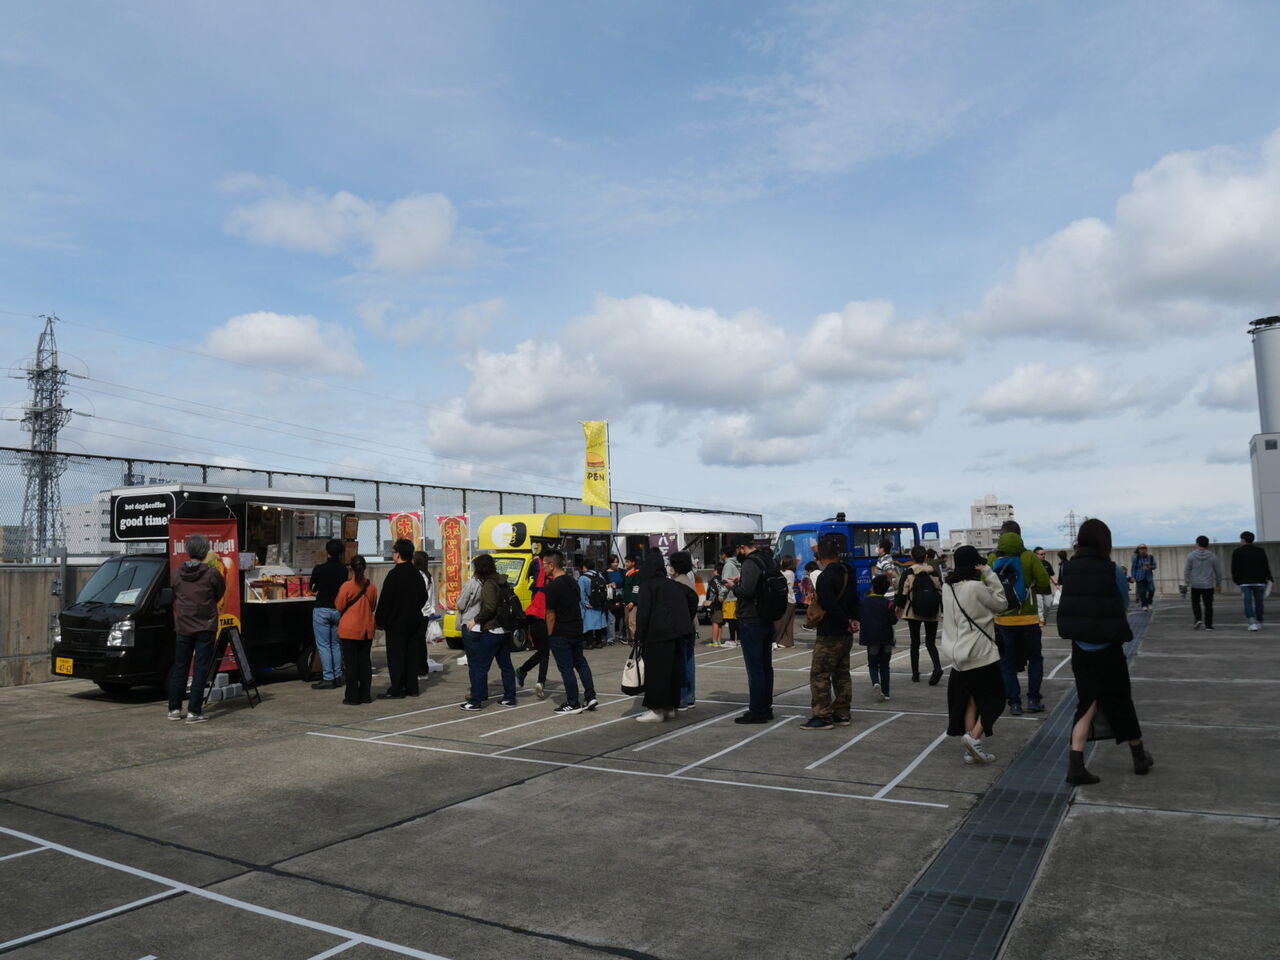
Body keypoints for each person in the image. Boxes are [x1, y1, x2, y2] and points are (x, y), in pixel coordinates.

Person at [1057, 518, 1153, 785]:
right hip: (1108, 647)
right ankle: (1138, 756)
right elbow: (1123, 603)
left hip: (1081, 647)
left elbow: (1069, 602)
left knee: (1087, 702)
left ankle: (1076, 764)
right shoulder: (1112, 570)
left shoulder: (1069, 569)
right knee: (1120, 699)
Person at [939, 545, 1007, 764]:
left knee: (971, 701)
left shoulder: (947, 587)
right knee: (996, 700)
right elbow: (1001, 603)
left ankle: (971, 749)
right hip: (979, 653)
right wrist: (988, 572)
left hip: (957, 655)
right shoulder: (976, 587)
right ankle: (973, 737)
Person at [988, 521, 1052, 716]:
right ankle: (1033, 699)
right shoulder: (1029, 557)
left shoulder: (993, 558)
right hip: (1029, 619)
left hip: (1003, 621)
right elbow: (1044, 582)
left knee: (1007, 662)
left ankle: (1014, 702)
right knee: (1035, 659)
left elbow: (985, 584)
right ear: (1019, 535)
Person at [801, 536, 861, 730]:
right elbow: (855, 599)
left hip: (829, 632)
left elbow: (829, 605)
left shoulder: (825, 577)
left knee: (820, 673)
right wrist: (853, 620)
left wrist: (844, 622)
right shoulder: (848, 572)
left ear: (819, 556)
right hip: (846, 632)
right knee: (842, 673)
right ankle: (842, 712)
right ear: (837, 554)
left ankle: (822, 715)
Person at [166, 534, 226, 723]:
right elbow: (219, 592)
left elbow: (174, 594)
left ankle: (174, 709)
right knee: (200, 669)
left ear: (188, 550)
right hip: (205, 625)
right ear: (205, 551)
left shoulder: (176, 573)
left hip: (183, 625)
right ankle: (194, 711)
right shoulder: (212, 573)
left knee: (180, 666)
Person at [633, 552, 699, 722]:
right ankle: (670, 707)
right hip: (676, 634)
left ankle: (656, 710)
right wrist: (685, 618)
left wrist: (639, 636)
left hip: (656, 635)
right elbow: (693, 598)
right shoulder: (672, 584)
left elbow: (643, 614)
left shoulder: (648, 585)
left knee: (655, 674)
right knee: (672, 672)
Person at [459, 553, 518, 710]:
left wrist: (476, 620)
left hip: (492, 630)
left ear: (480, 569)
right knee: (506, 665)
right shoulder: (502, 581)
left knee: (479, 666)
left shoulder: (488, 584)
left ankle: (475, 701)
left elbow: (490, 607)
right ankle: (510, 697)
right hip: (504, 629)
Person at [373, 538, 428, 699]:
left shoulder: (394, 574)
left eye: (394, 552)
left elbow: (385, 600)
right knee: (412, 655)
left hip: (396, 623)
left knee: (396, 656)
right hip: (414, 620)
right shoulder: (416, 574)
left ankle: (397, 688)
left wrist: (380, 620)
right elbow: (423, 596)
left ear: (398, 554)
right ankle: (412, 687)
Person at [543, 550, 597, 714]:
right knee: (580, 662)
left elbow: (550, 615)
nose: (542, 568)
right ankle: (590, 696)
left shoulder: (552, 587)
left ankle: (573, 703)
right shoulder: (573, 581)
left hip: (561, 631)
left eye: (544, 565)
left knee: (566, 668)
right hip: (576, 628)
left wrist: (549, 634)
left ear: (552, 565)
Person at [731, 541, 777, 724]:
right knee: (766, 667)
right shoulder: (768, 559)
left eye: (737, 549)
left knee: (755, 668)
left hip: (752, 620)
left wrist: (733, 586)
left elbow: (747, 591)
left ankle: (757, 711)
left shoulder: (750, 562)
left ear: (742, 547)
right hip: (768, 617)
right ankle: (766, 707)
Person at [897, 544, 943, 685]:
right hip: (932, 610)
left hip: (913, 611)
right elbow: (940, 591)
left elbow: (903, 592)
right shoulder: (933, 572)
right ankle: (937, 667)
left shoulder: (909, 572)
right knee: (930, 642)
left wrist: (899, 607)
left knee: (915, 642)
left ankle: (915, 674)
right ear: (926, 557)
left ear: (912, 557)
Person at [336, 555, 378, 705]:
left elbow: (339, 606)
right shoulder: (372, 587)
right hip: (366, 628)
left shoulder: (346, 586)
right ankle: (365, 695)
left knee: (351, 664)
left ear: (351, 568)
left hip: (349, 629)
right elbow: (372, 606)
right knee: (365, 663)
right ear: (365, 568)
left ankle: (352, 696)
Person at [308, 538, 348, 690]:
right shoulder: (343, 569)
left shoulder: (320, 569)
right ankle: (338, 676)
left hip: (322, 609)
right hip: (337, 609)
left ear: (327, 551)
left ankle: (328, 677)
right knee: (336, 644)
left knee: (324, 645)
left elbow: (312, 587)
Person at [516, 545, 551, 699]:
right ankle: (539, 681)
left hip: (534, 619)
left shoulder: (542, 584)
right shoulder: (543, 584)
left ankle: (524, 670)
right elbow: (539, 569)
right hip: (540, 619)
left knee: (543, 652)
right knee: (544, 653)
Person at [859, 573, 897, 703]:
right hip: (886, 637)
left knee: (873, 663)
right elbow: (893, 620)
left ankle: (875, 682)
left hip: (871, 637)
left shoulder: (864, 602)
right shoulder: (889, 604)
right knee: (885, 665)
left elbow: (860, 617)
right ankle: (886, 692)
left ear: (873, 587)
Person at [669, 550, 699, 709]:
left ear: (675, 567)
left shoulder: (678, 584)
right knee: (689, 661)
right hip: (691, 627)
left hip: (681, 628)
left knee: (680, 663)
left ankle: (681, 698)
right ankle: (690, 696)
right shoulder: (688, 580)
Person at [1231, 532, 1273, 631]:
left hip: (1245, 582)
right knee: (1259, 602)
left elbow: (1234, 568)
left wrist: (1236, 580)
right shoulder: (1260, 551)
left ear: (1243, 540)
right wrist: (1269, 578)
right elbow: (1265, 565)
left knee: (1247, 602)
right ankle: (1260, 621)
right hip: (1260, 581)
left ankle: (1252, 622)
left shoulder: (1237, 551)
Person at [1184, 535, 1223, 630]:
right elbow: (1218, 571)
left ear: (1197, 544)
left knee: (1195, 603)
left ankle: (1198, 619)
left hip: (1195, 584)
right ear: (1207, 545)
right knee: (1208, 605)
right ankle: (1208, 625)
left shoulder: (1191, 556)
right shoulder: (1212, 556)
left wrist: (1187, 583)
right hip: (1208, 585)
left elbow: (1187, 571)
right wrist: (1218, 583)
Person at [411, 551, 436, 679]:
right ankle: (422, 669)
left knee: (418, 643)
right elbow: (431, 597)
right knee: (421, 642)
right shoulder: (428, 576)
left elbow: (422, 598)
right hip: (426, 614)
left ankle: (421, 669)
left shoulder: (419, 576)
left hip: (420, 613)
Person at [579, 558, 609, 649]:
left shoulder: (582, 578)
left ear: (585, 567)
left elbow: (581, 592)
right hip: (599, 603)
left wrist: (585, 603)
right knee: (598, 624)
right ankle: (599, 642)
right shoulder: (599, 575)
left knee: (588, 624)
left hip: (589, 603)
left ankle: (589, 643)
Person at [773, 554, 798, 649]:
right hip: (791, 600)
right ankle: (788, 642)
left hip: (786, 600)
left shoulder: (787, 573)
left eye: (782, 560)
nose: (780, 562)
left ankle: (775, 640)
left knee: (780, 622)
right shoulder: (791, 573)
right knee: (788, 623)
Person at [721, 545, 742, 647]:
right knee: (735, 618)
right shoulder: (736, 563)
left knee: (731, 619)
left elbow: (726, 581)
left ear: (723, 554)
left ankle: (732, 639)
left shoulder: (728, 565)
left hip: (730, 596)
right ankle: (739, 639)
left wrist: (721, 594)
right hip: (736, 594)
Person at [1129, 544, 1157, 613]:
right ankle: (1144, 605)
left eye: (1144, 549)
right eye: (1141, 549)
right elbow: (1133, 568)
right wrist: (1133, 576)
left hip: (1148, 577)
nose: (1143, 550)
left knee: (1152, 590)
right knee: (1142, 592)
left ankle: (1149, 602)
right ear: (1139, 550)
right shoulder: (1136, 558)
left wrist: (1150, 567)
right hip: (1139, 577)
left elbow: (1155, 566)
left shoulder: (1150, 557)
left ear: (1146, 550)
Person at [1033, 547, 1057, 627]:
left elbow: (1052, 575)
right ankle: (1041, 620)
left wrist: (1056, 584)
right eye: (1041, 554)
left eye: (1044, 554)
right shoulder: (1033, 564)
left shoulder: (1047, 564)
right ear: (1036, 555)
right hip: (1036, 589)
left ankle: (1044, 618)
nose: (1043, 555)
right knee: (1040, 606)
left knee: (1049, 604)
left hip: (1047, 589)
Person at [622, 554, 642, 643]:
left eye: (628, 562)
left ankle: (636, 639)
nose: (626, 563)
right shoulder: (626, 573)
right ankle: (630, 638)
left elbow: (636, 588)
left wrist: (633, 601)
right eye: (625, 562)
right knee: (626, 621)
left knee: (632, 621)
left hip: (633, 602)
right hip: (626, 601)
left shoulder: (636, 573)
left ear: (633, 563)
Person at [605, 554, 624, 643]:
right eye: (613, 562)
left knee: (622, 616)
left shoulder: (621, 571)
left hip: (621, 594)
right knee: (611, 616)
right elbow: (603, 585)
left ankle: (621, 635)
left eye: (617, 562)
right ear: (610, 563)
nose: (616, 564)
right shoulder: (605, 573)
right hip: (611, 594)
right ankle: (610, 638)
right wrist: (608, 585)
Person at [706, 561, 726, 646]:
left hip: (715, 605)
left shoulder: (713, 580)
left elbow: (712, 592)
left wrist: (708, 602)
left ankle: (714, 641)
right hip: (722, 604)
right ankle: (718, 641)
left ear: (716, 571)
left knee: (715, 623)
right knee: (720, 623)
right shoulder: (723, 579)